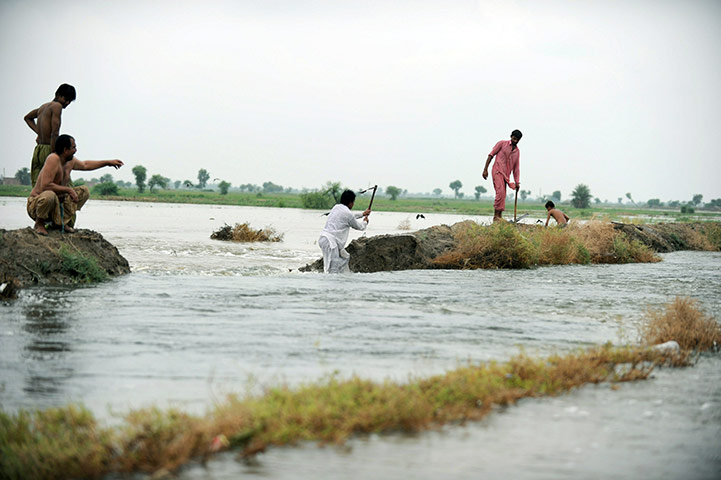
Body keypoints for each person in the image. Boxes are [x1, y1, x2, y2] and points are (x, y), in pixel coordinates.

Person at [27, 134, 123, 235]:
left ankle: (59, 223)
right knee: (49, 195)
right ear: (65, 149)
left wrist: (108, 162)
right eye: (73, 147)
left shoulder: (70, 161)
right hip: (37, 205)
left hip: (56, 204)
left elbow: (85, 165)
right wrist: (69, 190)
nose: (76, 150)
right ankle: (39, 224)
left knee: (83, 191)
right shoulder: (53, 159)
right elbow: (45, 186)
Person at [24, 84, 77, 186]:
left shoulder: (43, 107)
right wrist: (54, 153)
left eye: (70, 101)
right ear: (58, 95)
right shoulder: (57, 106)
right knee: (63, 183)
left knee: (38, 185)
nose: (67, 103)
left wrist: (40, 133)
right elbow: (55, 132)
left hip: (38, 150)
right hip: (49, 148)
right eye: (66, 99)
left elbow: (27, 118)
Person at [318, 190, 371, 273]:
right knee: (333, 270)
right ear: (350, 202)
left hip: (324, 239)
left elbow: (349, 216)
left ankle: (341, 281)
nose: (353, 204)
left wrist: (362, 214)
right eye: (353, 202)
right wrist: (365, 222)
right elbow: (360, 227)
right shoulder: (347, 214)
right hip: (331, 243)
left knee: (344, 258)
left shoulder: (336, 207)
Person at [482, 129, 522, 222]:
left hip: (506, 175)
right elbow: (491, 155)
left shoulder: (517, 152)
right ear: (511, 136)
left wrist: (517, 182)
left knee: (503, 195)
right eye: (514, 138)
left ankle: (499, 216)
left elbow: (516, 168)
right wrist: (485, 169)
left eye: (517, 140)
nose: (515, 141)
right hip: (497, 170)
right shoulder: (502, 144)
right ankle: (496, 216)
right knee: (500, 192)